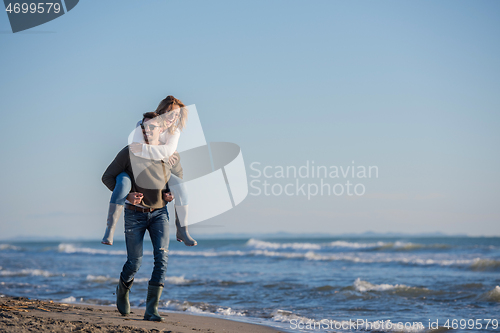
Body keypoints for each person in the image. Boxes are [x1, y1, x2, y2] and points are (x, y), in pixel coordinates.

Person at [102, 111, 178, 321]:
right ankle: (122, 289)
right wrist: (127, 196)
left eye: (152, 127)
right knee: (134, 262)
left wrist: (171, 193)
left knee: (161, 259)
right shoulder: (130, 152)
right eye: (144, 127)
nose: (147, 131)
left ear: (161, 129)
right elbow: (107, 177)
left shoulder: (168, 154)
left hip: (159, 213)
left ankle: (151, 309)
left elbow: (177, 179)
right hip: (134, 215)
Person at [101, 96, 197, 247]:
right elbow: (137, 149)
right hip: (135, 168)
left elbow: (169, 152)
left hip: (159, 179)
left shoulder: (174, 131)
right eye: (170, 112)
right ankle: (110, 229)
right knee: (123, 182)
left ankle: (182, 230)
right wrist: (163, 154)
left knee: (180, 186)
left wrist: (170, 190)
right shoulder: (145, 122)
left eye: (177, 115)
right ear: (162, 110)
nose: (173, 117)